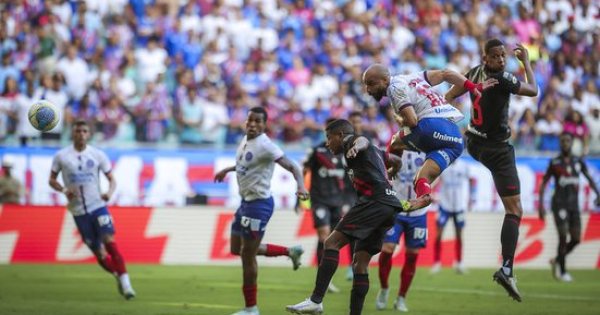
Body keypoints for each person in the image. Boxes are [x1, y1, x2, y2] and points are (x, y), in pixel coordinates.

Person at [285, 119, 430, 315]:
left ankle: (315, 300)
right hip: (389, 208)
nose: (327, 143)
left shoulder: (355, 142)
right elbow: (396, 160)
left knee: (331, 243)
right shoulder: (376, 153)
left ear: (341, 136)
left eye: (329, 138)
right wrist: (393, 170)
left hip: (373, 203)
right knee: (360, 263)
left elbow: (362, 141)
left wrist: (355, 147)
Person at [445, 39, 539, 302]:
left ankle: (507, 269)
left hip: (473, 143)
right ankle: (507, 269)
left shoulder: (474, 71)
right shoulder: (504, 79)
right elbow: (533, 90)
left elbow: (449, 96)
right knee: (515, 209)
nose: (501, 60)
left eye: (503, 56)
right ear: (486, 57)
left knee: (512, 206)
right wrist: (527, 64)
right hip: (496, 149)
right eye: (496, 56)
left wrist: (458, 122)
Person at [214, 107, 309, 315]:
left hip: (259, 205)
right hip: (245, 202)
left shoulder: (266, 144)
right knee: (236, 248)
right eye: (250, 120)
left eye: (258, 121)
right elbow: (245, 164)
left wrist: (300, 185)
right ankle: (289, 251)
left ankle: (251, 309)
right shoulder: (245, 139)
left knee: (247, 256)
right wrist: (227, 170)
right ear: (246, 122)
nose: (253, 124)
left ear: (264, 125)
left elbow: (292, 166)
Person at [362, 63, 495, 208]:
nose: (368, 90)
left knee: (395, 141)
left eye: (371, 84)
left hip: (430, 127)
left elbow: (412, 122)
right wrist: (472, 86)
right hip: (455, 138)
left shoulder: (393, 88)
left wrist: (401, 120)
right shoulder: (414, 77)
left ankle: (388, 178)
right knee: (421, 179)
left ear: (385, 79)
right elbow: (445, 73)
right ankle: (423, 197)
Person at [48, 120, 135, 299]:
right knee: (100, 254)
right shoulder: (61, 156)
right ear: (72, 134)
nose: (81, 134)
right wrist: (64, 190)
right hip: (79, 212)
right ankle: (117, 275)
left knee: (109, 240)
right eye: (78, 131)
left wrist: (109, 193)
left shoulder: (97, 155)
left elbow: (112, 179)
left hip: (98, 206)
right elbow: (52, 180)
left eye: (84, 131)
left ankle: (127, 284)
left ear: (89, 134)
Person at [538, 133, 600, 282]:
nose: (565, 143)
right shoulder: (555, 162)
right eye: (563, 141)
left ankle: (558, 259)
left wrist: (598, 193)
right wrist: (541, 204)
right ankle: (563, 271)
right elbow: (544, 182)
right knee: (563, 235)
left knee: (577, 239)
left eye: (568, 141)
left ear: (572, 143)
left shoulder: (578, 161)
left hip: (574, 205)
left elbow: (589, 178)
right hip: (559, 204)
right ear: (560, 143)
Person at [375, 149, 429, 312]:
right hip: (396, 209)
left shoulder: (428, 151)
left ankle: (401, 298)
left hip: (419, 213)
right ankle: (384, 288)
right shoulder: (396, 147)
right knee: (387, 249)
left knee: (412, 256)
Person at [302, 118, 347, 293]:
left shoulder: (344, 152)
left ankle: (326, 278)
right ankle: (323, 279)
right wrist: (300, 194)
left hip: (338, 201)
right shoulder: (317, 150)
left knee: (331, 241)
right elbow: (304, 169)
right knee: (324, 236)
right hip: (320, 200)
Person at [431, 158, 471, 274]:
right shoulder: (443, 165)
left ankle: (459, 263)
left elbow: (471, 180)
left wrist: (471, 198)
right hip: (444, 205)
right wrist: (431, 192)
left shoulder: (464, 166)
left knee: (459, 235)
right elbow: (436, 181)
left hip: (459, 206)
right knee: (438, 235)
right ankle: (437, 263)